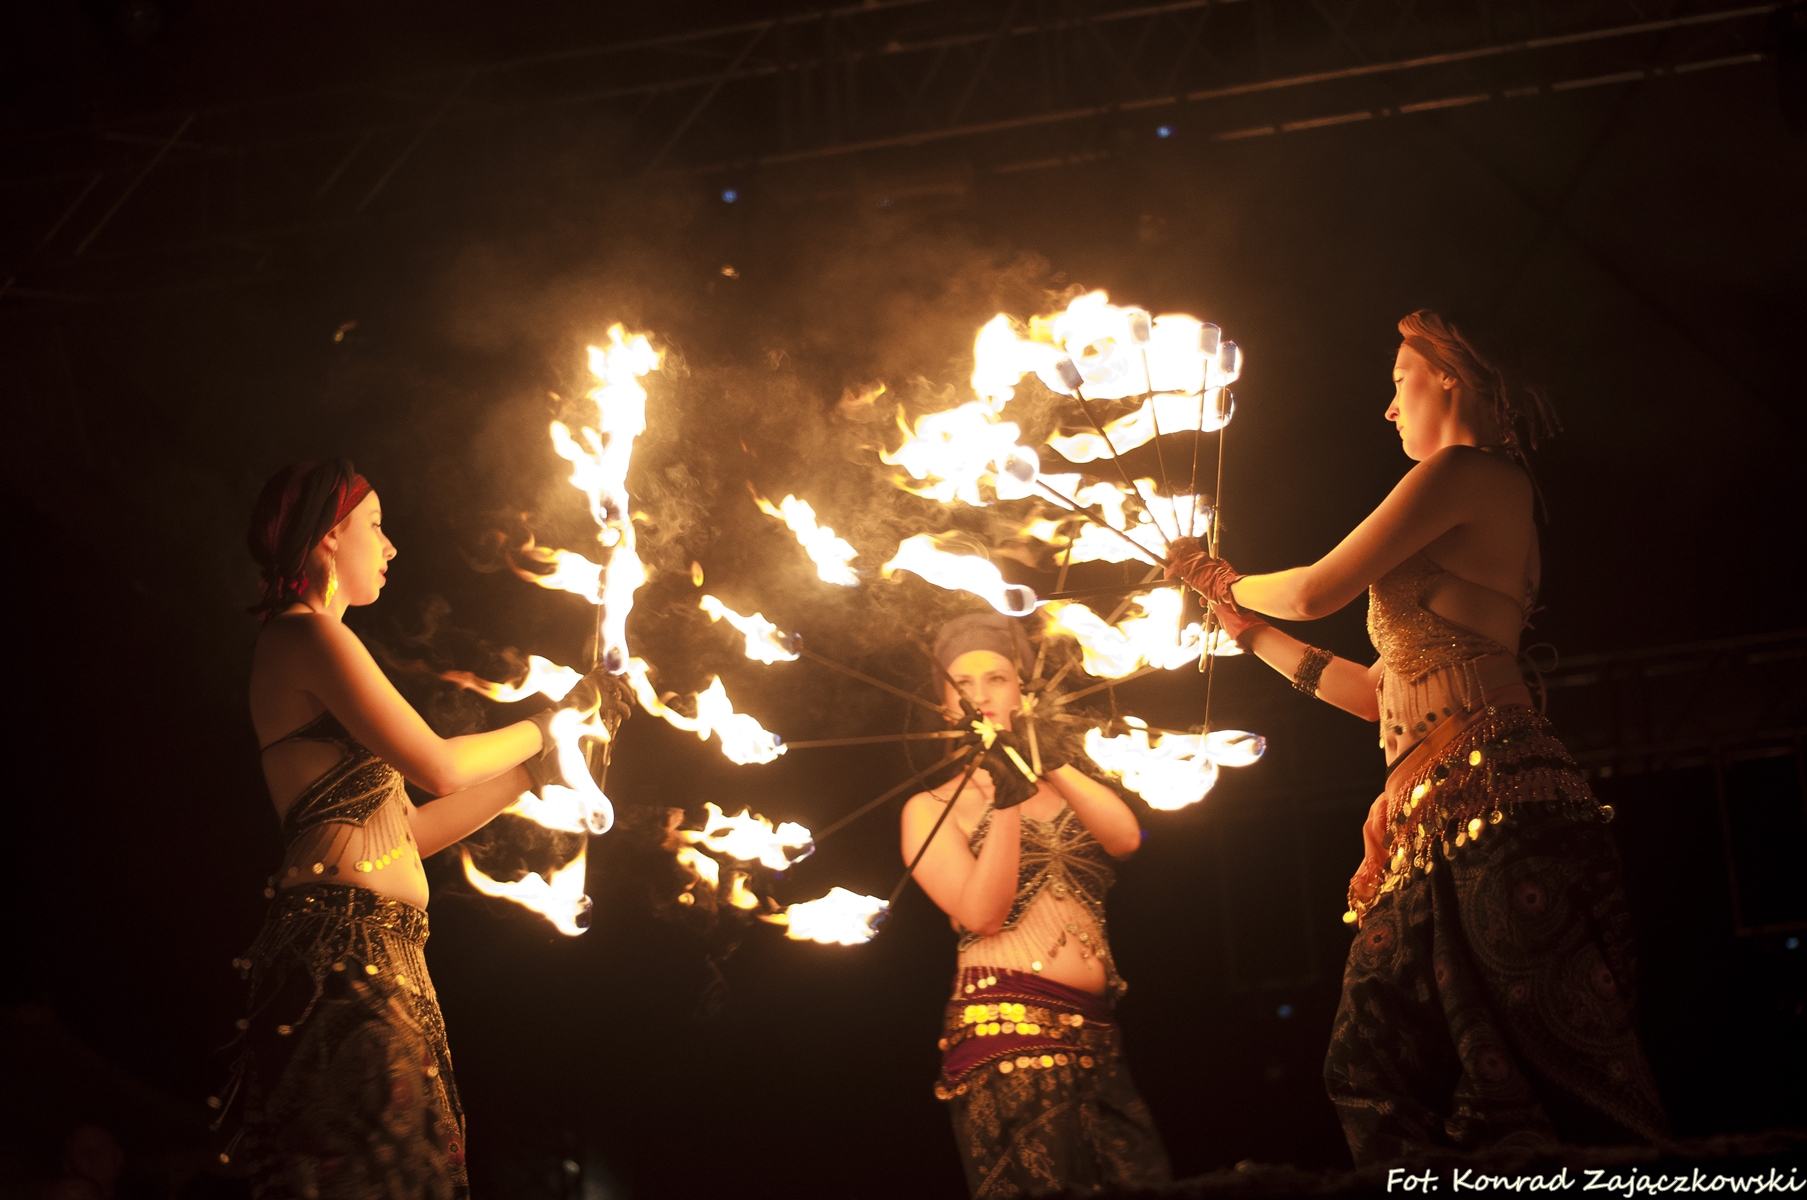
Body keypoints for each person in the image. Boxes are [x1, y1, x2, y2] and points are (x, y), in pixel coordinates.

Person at [1167, 312, 1668, 1161]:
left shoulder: (1468, 471)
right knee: (1387, 1070)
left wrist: (1223, 576)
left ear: (1448, 375)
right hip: (1428, 814)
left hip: (1499, 801)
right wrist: (1248, 634)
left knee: (1541, 1069)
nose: (1389, 408)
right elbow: (1375, 695)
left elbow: (1320, 587)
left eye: (1399, 379)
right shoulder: (1462, 489)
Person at [214, 460, 621, 1199]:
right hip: (341, 946)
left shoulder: (319, 645)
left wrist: (537, 771)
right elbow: (438, 764)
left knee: (407, 1174)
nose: (391, 546)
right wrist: (555, 720)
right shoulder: (306, 635)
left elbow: (407, 833)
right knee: (376, 1176)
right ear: (329, 538)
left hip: (382, 945)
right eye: (375, 526)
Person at [900, 612, 1171, 1198]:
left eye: (995, 678)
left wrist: (1047, 760)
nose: (981, 696)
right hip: (1007, 1033)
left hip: (1098, 1033)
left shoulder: (1064, 778)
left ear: (1022, 688)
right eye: (962, 686)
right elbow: (982, 915)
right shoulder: (931, 807)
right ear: (948, 707)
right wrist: (1004, 800)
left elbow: (1124, 839)